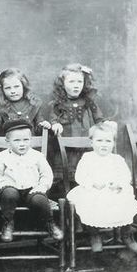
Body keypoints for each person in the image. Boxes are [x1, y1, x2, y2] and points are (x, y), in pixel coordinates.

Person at [66, 122, 137, 253]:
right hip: (93, 190)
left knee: (125, 200)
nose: (104, 144)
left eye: (108, 141)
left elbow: (125, 176)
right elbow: (80, 176)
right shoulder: (87, 158)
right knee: (87, 202)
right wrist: (92, 183)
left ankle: (126, 234)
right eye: (99, 140)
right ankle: (94, 235)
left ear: (113, 143)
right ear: (92, 143)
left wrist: (118, 184)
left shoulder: (117, 159)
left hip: (113, 191)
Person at [0, 120, 63, 242]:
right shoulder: (2, 157)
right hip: (11, 188)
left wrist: (42, 187)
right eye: (17, 141)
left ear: (31, 140)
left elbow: (46, 174)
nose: (22, 144)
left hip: (32, 190)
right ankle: (8, 223)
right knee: (8, 194)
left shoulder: (37, 156)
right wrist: (2, 183)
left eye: (26, 140)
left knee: (39, 200)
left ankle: (50, 223)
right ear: (7, 142)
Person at [45, 63, 106, 198]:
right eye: (71, 81)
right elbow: (53, 119)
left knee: (86, 178)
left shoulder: (89, 102)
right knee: (65, 180)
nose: (76, 85)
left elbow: (99, 119)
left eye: (79, 81)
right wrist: (55, 125)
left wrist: (105, 125)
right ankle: (66, 207)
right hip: (65, 150)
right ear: (62, 84)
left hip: (85, 148)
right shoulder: (58, 103)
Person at [0, 68, 51, 135]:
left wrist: (42, 125)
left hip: (29, 142)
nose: (13, 91)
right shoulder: (1, 105)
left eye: (16, 86)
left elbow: (39, 121)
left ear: (23, 86)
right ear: (2, 90)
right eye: (8, 88)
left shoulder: (33, 103)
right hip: (10, 143)